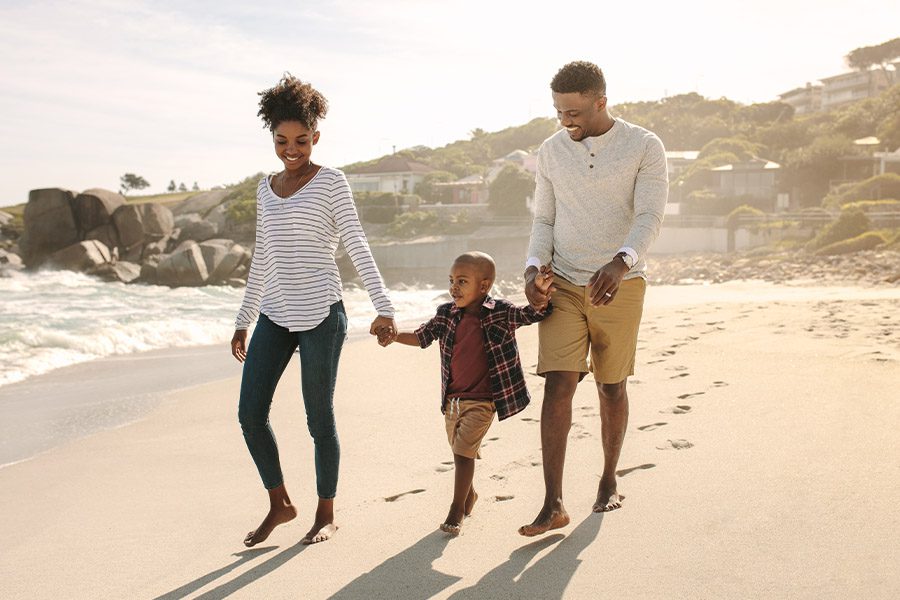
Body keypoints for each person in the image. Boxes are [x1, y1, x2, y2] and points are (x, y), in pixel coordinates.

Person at [230, 74, 396, 547]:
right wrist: (244, 319)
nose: (291, 149)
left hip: (323, 315)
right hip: (275, 316)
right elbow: (263, 256)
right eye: (282, 141)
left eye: (301, 140)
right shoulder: (266, 189)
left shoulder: (331, 183)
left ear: (315, 137)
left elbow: (355, 243)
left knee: (318, 418)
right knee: (249, 414)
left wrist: (383, 307)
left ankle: (325, 513)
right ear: (272, 139)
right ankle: (280, 503)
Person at [519, 61, 668, 536]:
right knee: (557, 384)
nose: (567, 122)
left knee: (610, 386)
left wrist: (620, 262)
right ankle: (553, 503)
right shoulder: (550, 150)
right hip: (562, 281)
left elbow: (649, 216)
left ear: (601, 102)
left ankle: (608, 479)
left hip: (620, 284)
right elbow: (543, 221)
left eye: (575, 113)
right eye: (560, 113)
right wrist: (531, 270)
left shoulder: (644, 146)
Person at [376, 252, 553, 535]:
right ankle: (468, 495)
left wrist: (541, 293)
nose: (453, 287)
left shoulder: (500, 311)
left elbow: (531, 314)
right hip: (452, 402)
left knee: (462, 453)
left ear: (483, 286)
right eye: (451, 281)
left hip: (484, 401)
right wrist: (394, 336)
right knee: (460, 449)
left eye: (461, 281)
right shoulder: (446, 314)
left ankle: (456, 510)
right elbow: (423, 337)